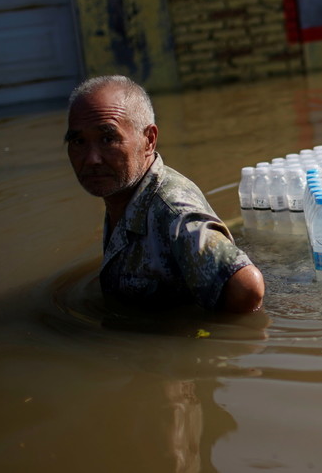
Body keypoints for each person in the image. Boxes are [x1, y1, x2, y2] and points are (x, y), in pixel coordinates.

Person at [65, 75, 265, 312]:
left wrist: (193, 337)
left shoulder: (173, 213)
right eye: (78, 141)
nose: (91, 159)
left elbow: (247, 287)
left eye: (108, 139)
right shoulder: (123, 195)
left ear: (149, 140)